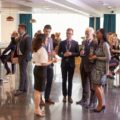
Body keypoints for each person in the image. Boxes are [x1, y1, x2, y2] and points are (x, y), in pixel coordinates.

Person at [32, 34, 54, 117]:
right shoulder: (42, 50)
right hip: (41, 71)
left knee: (37, 90)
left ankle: (37, 108)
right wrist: (53, 61)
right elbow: (44, 64)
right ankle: (37, 109)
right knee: (38, 91)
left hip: (36, 69)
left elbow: (34, 61)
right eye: (46, 40)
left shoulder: (35, 48)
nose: (47, 41)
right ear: (42, 41)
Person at [90, 29, 111, 112]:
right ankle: (102, 104)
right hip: (97, 67)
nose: (96, 34)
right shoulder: (100, 43)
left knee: (96, 86)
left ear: (102, 34)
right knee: (99, 86)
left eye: (98, 33)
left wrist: (96, 57)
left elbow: (108, 58)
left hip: (100, 69)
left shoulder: (105, 44)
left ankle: (99, 106)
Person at [76, 27, 97, 109]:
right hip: (83, 65)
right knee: (84, 83)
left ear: (92, 33)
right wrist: (81, 53)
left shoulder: (95, 43)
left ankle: (93, 102)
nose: (86, 33)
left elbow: (97, 55)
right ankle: (84, 99)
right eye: (86, 32)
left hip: (91, 67)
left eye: (88, 32)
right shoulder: (84, 41)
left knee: (92, 86)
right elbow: (81, 53)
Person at [58, 28, 79, 103]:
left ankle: (69, 96)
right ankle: (64, 96)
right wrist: (63, 55)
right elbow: (58, 53)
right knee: (64, 80)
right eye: (67, 33)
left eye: (70, 33)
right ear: (66, 33)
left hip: (71, 64)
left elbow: (78, 53)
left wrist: (71, 54)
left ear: (72, 34)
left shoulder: (75, 43)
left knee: (70, 81)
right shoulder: (62, 42)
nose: (68, 35)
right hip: (63, 64)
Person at [15, 24, 32, 96]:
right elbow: (14, 42)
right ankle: (25, 88)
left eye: (19, 29)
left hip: (23, 57)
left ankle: (21, 89)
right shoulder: (21, 37)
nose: (18, 30)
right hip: (20, 56)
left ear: (23, 29)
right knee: (24, 72)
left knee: (22, 73)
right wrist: (13, 36)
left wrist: (23, 58)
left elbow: (28, 49)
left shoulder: (27, 37)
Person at [43, 25, 56, 104]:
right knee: (42, 82)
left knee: (50, 81)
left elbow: (51, 50)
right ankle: (41, 99)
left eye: (49, 31)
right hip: (43, 63)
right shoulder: (40, 39)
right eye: (46, 31)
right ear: (43, 30)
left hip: (50, 64)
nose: (47, 33)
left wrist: (53, 55)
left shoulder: (51, 39)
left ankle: (47, 98)